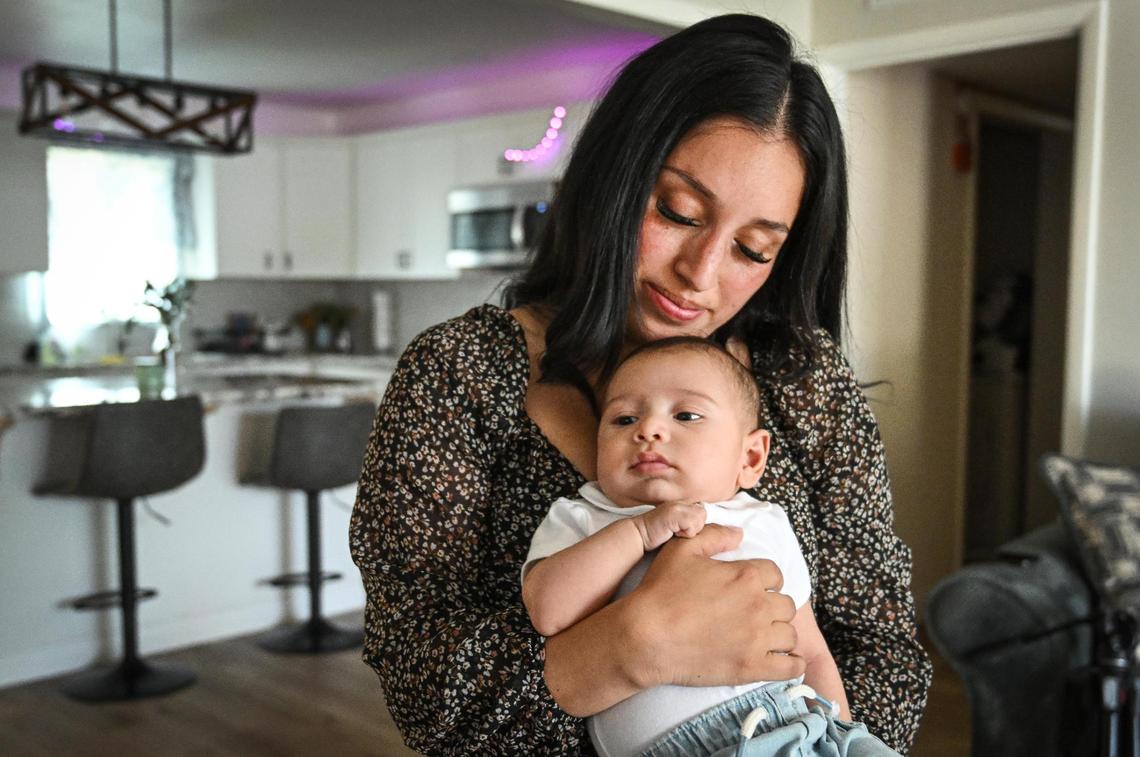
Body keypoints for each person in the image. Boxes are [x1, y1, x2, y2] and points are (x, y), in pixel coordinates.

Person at [350, 12, 932, 756]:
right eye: (677, 212)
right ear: (614, 177)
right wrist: (630, 646)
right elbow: (423, 684)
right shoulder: (460, 374)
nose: (701, 274)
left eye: (754, 250)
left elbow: (884, 650)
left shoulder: (802, 379)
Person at [523, 337, 900, 756]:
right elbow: (548, 611)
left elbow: (810, 650)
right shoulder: (585, 516)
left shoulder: (764, 522)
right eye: (624, 419)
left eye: (686, 415)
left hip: (793, 722)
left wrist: (842, 731)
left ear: (750, 458)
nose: (647, 429)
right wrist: (640, 533)